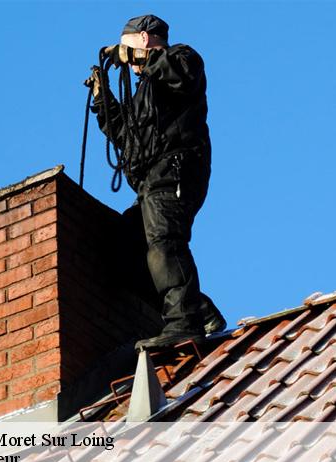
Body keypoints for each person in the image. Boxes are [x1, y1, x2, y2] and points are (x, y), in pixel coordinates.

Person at [88, 14, 226, 351]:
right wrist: (103, 99)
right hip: (150, 181)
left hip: (176, 169)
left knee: (165, 241)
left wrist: (133, 57)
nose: (128, 63)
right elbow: (128, 137)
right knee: (124, 252)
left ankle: (184, 324)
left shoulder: (183, 58)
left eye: (128, 48)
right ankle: (199, 310)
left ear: (146, 39)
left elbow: (179, 76)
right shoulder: (144, 92)